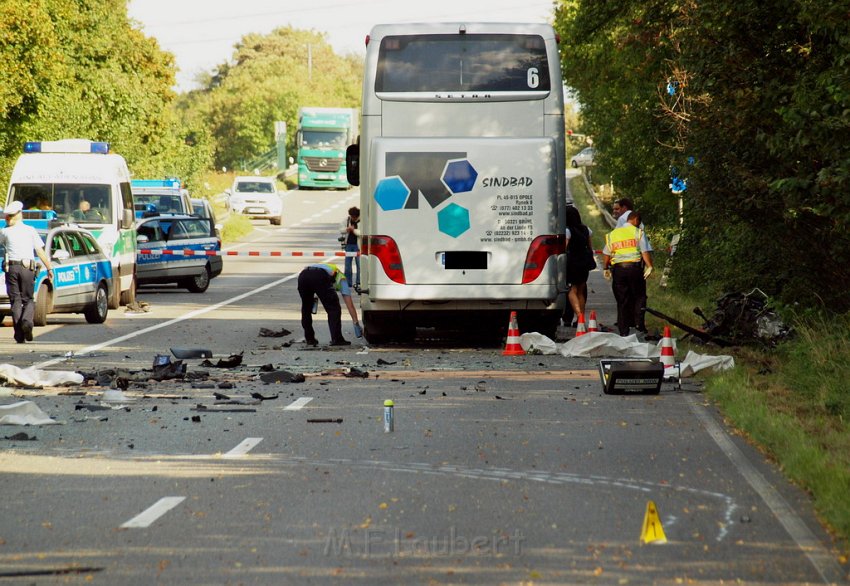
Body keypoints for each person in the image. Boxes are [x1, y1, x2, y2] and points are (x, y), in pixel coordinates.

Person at [0, 201, 54, 343]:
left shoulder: (5, 232)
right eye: (6, 217)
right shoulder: (30, 230)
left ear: (18, 215)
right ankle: (27, 323)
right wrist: (49, 268)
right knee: (28, 299)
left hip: (11, 268)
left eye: (10, 217)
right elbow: (40, 251)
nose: (7, 219)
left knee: (15, 301)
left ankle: (19, 334)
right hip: (27, 268)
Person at [601, 211, 653, 337]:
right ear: (635, 220)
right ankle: (639, 325)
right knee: (639, 296)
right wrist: (649, 266)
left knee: (622, 300)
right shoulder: (638, 233)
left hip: (619, 270)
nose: (639, 225)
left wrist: (605, 267)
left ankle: (624, 330)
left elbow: (606, 254)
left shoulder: (613, 234)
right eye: (639, 222)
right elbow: (644, 251)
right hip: (635, 269)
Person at [297, 262, 362, 346]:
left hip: (303, 275)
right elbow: (350, 305)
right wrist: (356, 323)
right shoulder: (341, 278)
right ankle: (337, 339)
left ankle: (310, 339)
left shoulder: (328, 269)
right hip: (319, 275)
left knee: (306, 308)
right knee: (334, 309)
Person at [564, 206, 595, 324]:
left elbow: (564, 247)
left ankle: (578, 314)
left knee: (572, 289)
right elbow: (590, 247)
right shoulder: (586, 229)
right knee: (581, 290)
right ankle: (580, 318)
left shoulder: (568, 231)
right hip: (584, 263)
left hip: (572, 263)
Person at [339, 207, 360, 291]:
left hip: (358, 246)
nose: (353, 218)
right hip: (349, 245)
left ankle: (359, 282)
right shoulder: (347, 220)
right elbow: (341, 229)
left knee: (360, 265)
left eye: (355, 216)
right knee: (347, 265)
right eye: (352, 216)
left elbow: (362, 232)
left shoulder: (362, 221)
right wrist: (347, 229)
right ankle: (348, 282)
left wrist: (353, 230)